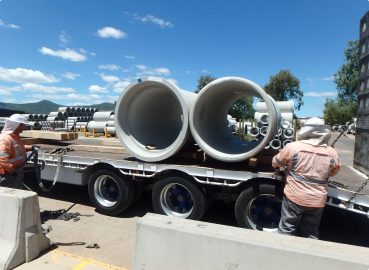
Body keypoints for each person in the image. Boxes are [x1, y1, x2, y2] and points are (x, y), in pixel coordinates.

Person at [272, 117, 341, 239]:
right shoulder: (332, 152)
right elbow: (334, 172)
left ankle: (283, 255)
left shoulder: (293, 147)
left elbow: (276, 162)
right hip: (317, 200)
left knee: (287, 230)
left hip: (295, 197)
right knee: (311, 232)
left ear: (305, 130)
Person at [0, 114, 33, 189]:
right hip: (7, 174)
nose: (24, 127)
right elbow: (1, 158)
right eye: (23, 125)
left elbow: (16, 148)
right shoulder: (5, 139)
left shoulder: (14, 137)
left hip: (15, 172)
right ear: (17, 125)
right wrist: (11, 170)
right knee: (8, 197)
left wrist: (30, 148)